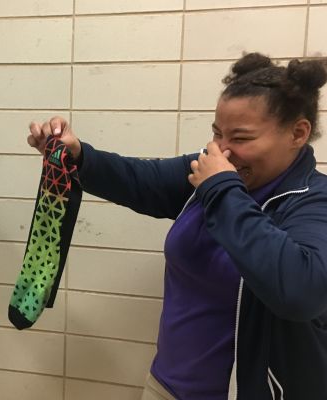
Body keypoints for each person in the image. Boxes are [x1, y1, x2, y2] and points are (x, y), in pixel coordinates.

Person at [28, 53, 327, 399]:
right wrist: (79, 155)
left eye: (241, 138)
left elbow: (301, 292)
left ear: (298, 133)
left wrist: (221, 190)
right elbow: (141, 180)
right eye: (217, 134)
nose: (223, 151)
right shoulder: (212, 173)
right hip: (166, 386)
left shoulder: (312, 202)